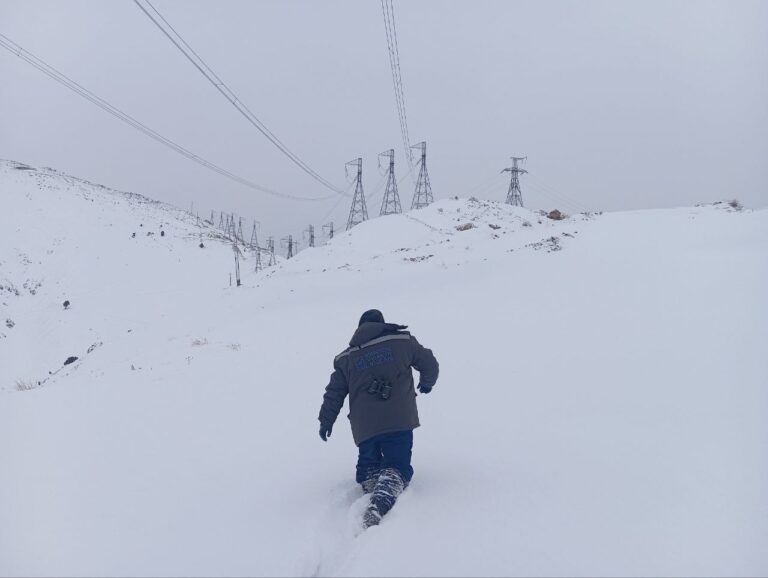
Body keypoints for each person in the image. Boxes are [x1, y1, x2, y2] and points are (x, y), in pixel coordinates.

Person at [318, 309, 439, 527]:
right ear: (381, 324)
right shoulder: (402, 341)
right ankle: (383, 497)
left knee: (369, 465)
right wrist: (427, 382)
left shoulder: (347, 358)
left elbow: (334, 393)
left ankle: (372, 482)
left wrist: (326, 420)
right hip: (398, 419)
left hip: (365, 427)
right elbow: (429, 362)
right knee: (396, 464)